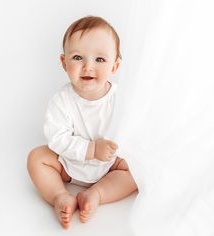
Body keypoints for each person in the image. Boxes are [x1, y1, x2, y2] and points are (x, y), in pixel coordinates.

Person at [27, 15, 137, 229]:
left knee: (137, 171)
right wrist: (91, 149)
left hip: (110, 165)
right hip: (68, 165)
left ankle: (97, 194)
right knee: (36, 158)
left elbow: (133, 126)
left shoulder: (123, 99)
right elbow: (56, 138)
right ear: (64, 62)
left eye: (100, 60)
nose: (88, 66)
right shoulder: (61, 100)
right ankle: (60, 196)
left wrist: (119, 147)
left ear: (114, 67)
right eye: (78, 58)